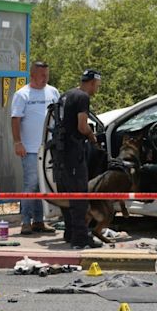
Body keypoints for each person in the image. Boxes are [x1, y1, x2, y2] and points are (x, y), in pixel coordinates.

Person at [11, 61, 59, 235]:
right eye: (42, 75)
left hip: (48, 148)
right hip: (30, 149)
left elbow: (58, 117)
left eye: (47, 74)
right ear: (32, 75)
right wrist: (18, 142)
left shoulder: (53, 92)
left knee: (42, 185)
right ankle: (25, 221)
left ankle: (39, 221)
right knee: (30, 185)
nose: (45, 78)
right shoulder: (22, 94)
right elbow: (15, 119)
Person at [56, 69, 103, 249]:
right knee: (79, 197)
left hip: (60, 152)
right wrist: (93, 138)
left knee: (67, 195)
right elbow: (82, 126)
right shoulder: (82, 98)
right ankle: (80, 239)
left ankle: (69, 233)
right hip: (74, 152)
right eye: (96, 86)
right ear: (91, 83)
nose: (95, 90)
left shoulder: (65, 95)